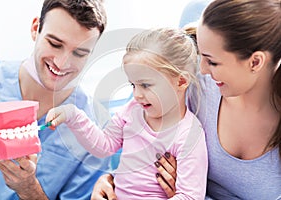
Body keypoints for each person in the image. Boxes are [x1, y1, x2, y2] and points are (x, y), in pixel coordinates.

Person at [93, 0, 281, 199]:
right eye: (203, 57)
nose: (202, 70)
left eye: (213, 62)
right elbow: (133, 132)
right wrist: (111, 180)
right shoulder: (192, 82)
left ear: (255, 62)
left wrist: (186, 193)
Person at [46, 28, 208, 199]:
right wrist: (72, 115)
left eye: (145, 85)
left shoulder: (189, 135)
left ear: (181, 81)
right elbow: (104, 146)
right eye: (133, 85)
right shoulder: (133, 110)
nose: (137, 94)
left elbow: (190, 196)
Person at [0, 0, 112, 199]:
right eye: (55, 44)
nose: (62, 63)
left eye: (80, 53)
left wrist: (29, 190)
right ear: (36, 29)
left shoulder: (98, 131)